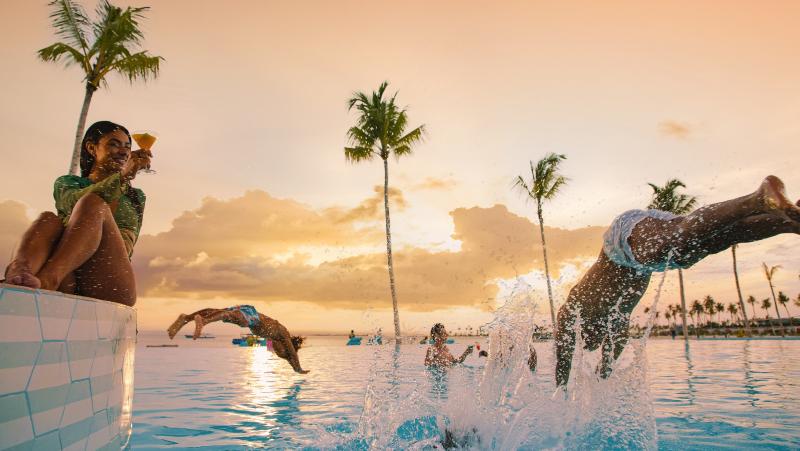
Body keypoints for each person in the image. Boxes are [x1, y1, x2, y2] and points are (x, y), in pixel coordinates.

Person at [555, 176, 800, 386]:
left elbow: (562, 366)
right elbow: (604, 374)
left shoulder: (572, 312)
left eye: (588, 343)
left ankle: (757, 199)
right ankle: (788, 223)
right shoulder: (617, 326)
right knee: (705, 245)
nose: (591, 345)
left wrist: (561, 391)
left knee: (676, 243)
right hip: (645, 252)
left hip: (621, 241)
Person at [3, 121, 151, 306]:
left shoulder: (136, 197)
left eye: (127, 147)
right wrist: (122, 178)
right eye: (114, 144)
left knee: (94, 203)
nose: (124, 152)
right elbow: (74, 204)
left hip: (108, 281)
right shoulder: (67, 183)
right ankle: (18, 275)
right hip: (69, 276)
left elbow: (97, 208)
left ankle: (48, 280)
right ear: (91, 148)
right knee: (48, 218)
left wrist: (122, 179)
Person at [167, 305, 309, 374]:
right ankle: (203, 322)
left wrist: (293, 366)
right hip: (253, 317)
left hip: (251, 316)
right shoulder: (283, 334)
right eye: (281, 352)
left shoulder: (275, 340)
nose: (277, 353)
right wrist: (298, 369)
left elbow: (288, 356)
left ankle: (185, 319)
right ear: (287, 345)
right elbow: (291, 353)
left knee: (220, 312)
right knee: (230, 316)